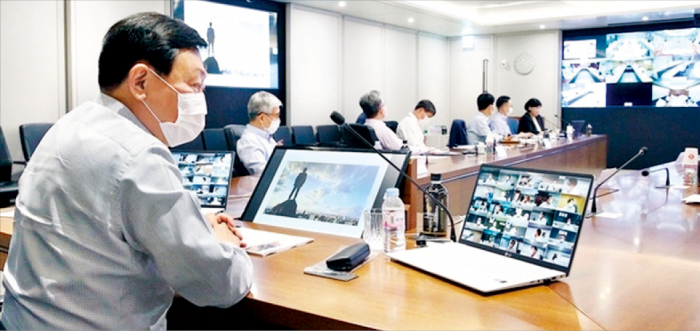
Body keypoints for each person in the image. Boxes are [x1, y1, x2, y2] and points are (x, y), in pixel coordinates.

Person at [0, 13, 253, 330]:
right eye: (194, 85)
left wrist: (192, 224)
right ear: (141, 82)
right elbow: (217, 284)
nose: (201, 100)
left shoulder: (68, 126)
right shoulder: (139, 156)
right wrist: (224, 242)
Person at [237, 91, 283, 175]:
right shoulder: (249, 141)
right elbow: (264, 173)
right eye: (276, 115)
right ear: (262, 118)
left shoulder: (266, 137)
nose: (278, 119)